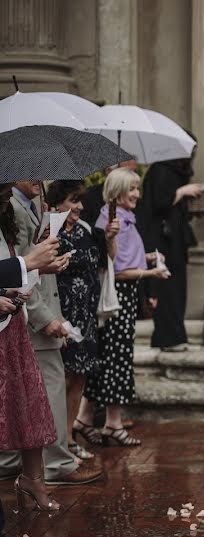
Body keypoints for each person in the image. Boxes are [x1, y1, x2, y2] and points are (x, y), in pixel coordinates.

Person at [0, 180, 103, 487]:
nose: (37, 177)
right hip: (26, 310)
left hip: (24, 306)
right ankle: (55, 462)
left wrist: (42, 261)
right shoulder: (13, 209)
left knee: (21, 390)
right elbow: (15, 261)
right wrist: (45, 316)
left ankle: (10, 460)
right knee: (49, 387)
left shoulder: (30, 207)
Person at [80, 169, 169, 447]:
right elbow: (116, 270)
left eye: (137, 188)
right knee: (117, 359)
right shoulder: (111, 220)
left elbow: (129, 258)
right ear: (117, 190)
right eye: (131, 188)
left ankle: (84, 420)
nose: (136, 194)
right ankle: (112, 424)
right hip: (117, 299)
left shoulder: (126, 219)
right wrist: (150, 274)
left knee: (112, 358)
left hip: (125, 299)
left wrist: (150, 256)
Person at [0, 182, 61, 537]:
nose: (6, 192)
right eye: (1, 185)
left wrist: (25, 275)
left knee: (26, 407)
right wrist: (28, 262)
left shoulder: (4, 223)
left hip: (9, 324)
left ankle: (30, 484)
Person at [46, 181, 119, 463]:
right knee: (61, 378)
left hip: (86, 317)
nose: (79, 207)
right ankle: (56, 444)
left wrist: (110, 238)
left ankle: (69, 439)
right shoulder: (48, 231)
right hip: (62, 316)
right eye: (73, 201)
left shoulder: (86, 230)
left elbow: (106, 262)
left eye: (79, 201)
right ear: (57, 203)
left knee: (79, 377)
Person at [139, 155, 204, 352]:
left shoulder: (177, 172)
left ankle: (176, 336)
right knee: (166, 288)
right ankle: (168, 339)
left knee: (177, 288)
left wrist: (198, 208)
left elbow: (177, 211)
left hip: (175, 238)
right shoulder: (160, 169)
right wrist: (182, 191)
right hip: (161, 239)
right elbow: (158, 204)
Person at [80, 160, 139, 227]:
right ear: (109, 172)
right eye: (125, 172)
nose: (131, 177)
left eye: (134, 172)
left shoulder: (135, 201)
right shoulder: (89, 196)